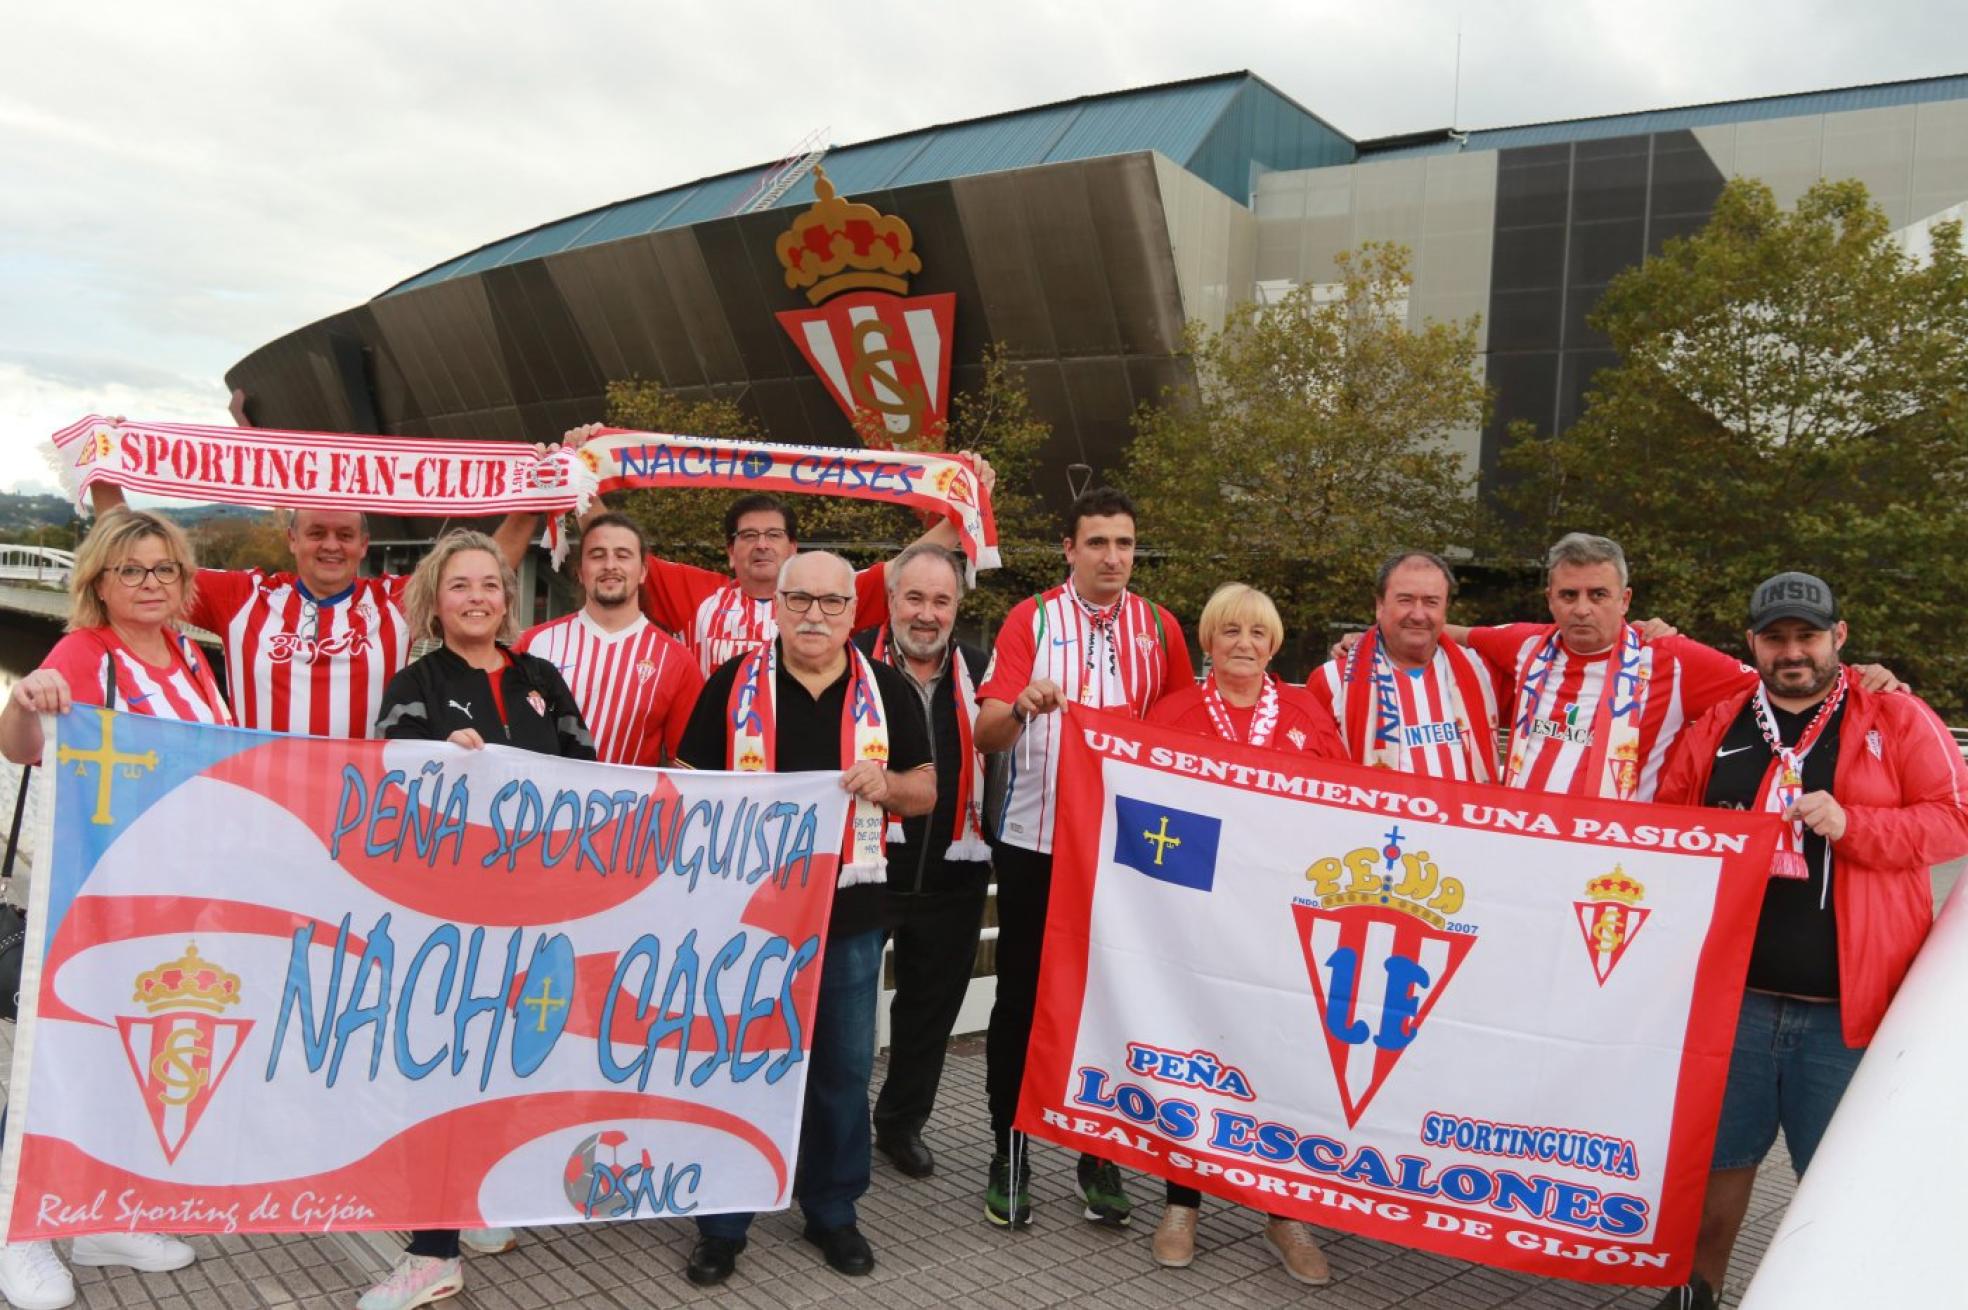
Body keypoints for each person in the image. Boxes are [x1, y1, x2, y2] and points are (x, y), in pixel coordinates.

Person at [1649, 573, 1968, 1310]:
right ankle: (1696, 1293)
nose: (1793, 652)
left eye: (1808, 636)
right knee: (1719, 1167)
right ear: (1753, 643)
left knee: (1842, 1178)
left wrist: (1856, 825)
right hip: (1736, 1005)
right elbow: (1667, 828)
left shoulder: (1895, 714)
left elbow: (1954, 818)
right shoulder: (1720, 722)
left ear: (1839, 637)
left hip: (1848, 1013)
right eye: (1776, 637)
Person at [675, 551, 936, 1287]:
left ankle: (832, 1210)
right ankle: (723, 1221)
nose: (814, 615)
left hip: (850, 914)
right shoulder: (731, 686)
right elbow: (687, 788)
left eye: (831, 602)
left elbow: (926, 790)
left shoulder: (886, 690)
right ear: (776, 605)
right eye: (800, 601)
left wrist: (884, 784)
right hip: (747, 917)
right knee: (737, 1063)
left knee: (843, 1072)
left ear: (856, 613)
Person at [358, 531, 595, 1310]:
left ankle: (473, 1203)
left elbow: (588, 781)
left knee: (505, 1063)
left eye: (489, 585)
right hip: (446, 919)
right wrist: (437, 758)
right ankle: (432, 1251)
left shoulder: (542, 678)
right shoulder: (417, 681)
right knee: (439, 1073)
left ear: (507, 596)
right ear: (436, 598)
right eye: (459, 586)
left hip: (532, 913)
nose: (476, 599)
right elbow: (384, 785)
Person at [0, 510, 220, 1310]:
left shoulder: (191, 658)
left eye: (163, 569)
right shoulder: (84, 653)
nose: (150, 583)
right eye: (131, 570)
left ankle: (104, 1216)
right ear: (98, 580)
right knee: (56, 1059)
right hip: (97, 894)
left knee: (137, 1059)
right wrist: (30, 698)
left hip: (175, 897)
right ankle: (15, 1235)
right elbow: (22, 746)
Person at [972, 486, 1195, 1231]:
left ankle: (1098, 1153)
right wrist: (1020, 706)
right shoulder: (1030, 619)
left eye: (1124, 543)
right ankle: (1011, 1148)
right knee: (1023, 1003)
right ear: (1069, 549)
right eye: (1097, 542)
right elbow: (984, 733)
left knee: (1110, 1004)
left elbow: (1184, 737)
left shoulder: (1160, 629)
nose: (1112, 557)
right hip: (1036, 842)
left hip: (1123, 854)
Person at [1144, 583, 1339, 1285]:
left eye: (1258, 634)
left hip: (1281, 923)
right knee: (1193, 1058)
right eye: (1230, 632)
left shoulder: (1308, 714)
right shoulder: (1174, 714)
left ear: (1275, 644)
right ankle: (1181, 1204)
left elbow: (1339, 806)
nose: (1245, 646)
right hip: (1198, 922)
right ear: (1208, 641)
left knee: (1281, 1061)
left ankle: (1283, 1212)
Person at [89, 484, 539, 739]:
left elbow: (484, 566)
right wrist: (105, 481)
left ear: (364, 545)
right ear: (292, 539)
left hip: (361, 807)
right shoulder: (243, 596)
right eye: (316, 532)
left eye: (344, 534)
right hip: (257, 803)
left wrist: (541, 493)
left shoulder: (395, 601)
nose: (330, 545)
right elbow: (144, 560)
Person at [563, 425, 995, 676]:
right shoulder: (698, 594)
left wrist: (965, 503)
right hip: (711, 771)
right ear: (730, 552)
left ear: (794, 549)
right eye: (748, 536)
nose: (762, 545)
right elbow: (611, 544)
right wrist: (577, 470)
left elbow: (908, 567)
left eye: (773, 535)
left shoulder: (832, 598)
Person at [852, 542, 995, 1181]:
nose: (927, 613)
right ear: (889, 601)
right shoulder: (852, 670)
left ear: (959, 605)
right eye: (914, 598)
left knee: (929, 1013)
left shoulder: (984, 673)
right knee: (846, 1007)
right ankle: (835, 1126)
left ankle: (900, 1124)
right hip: (867, 868)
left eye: (941, 600)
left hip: (955, 872)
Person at [514, 512, 701, 765]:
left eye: (623, 555)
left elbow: (685, 768)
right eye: (597, 555)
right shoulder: (533, 644)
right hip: (542, 802)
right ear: (580, 571)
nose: (610, 565)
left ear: (643, 572)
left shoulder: (677, 661)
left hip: (634, 805)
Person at [1306, 551, 1503, 779]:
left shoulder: (1483, 670)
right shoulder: (1331, 680)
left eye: (1431, 602)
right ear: (1380, 605)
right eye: (1405, 600)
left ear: (1445, 609)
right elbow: (1312, 776)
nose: (1418, 615)